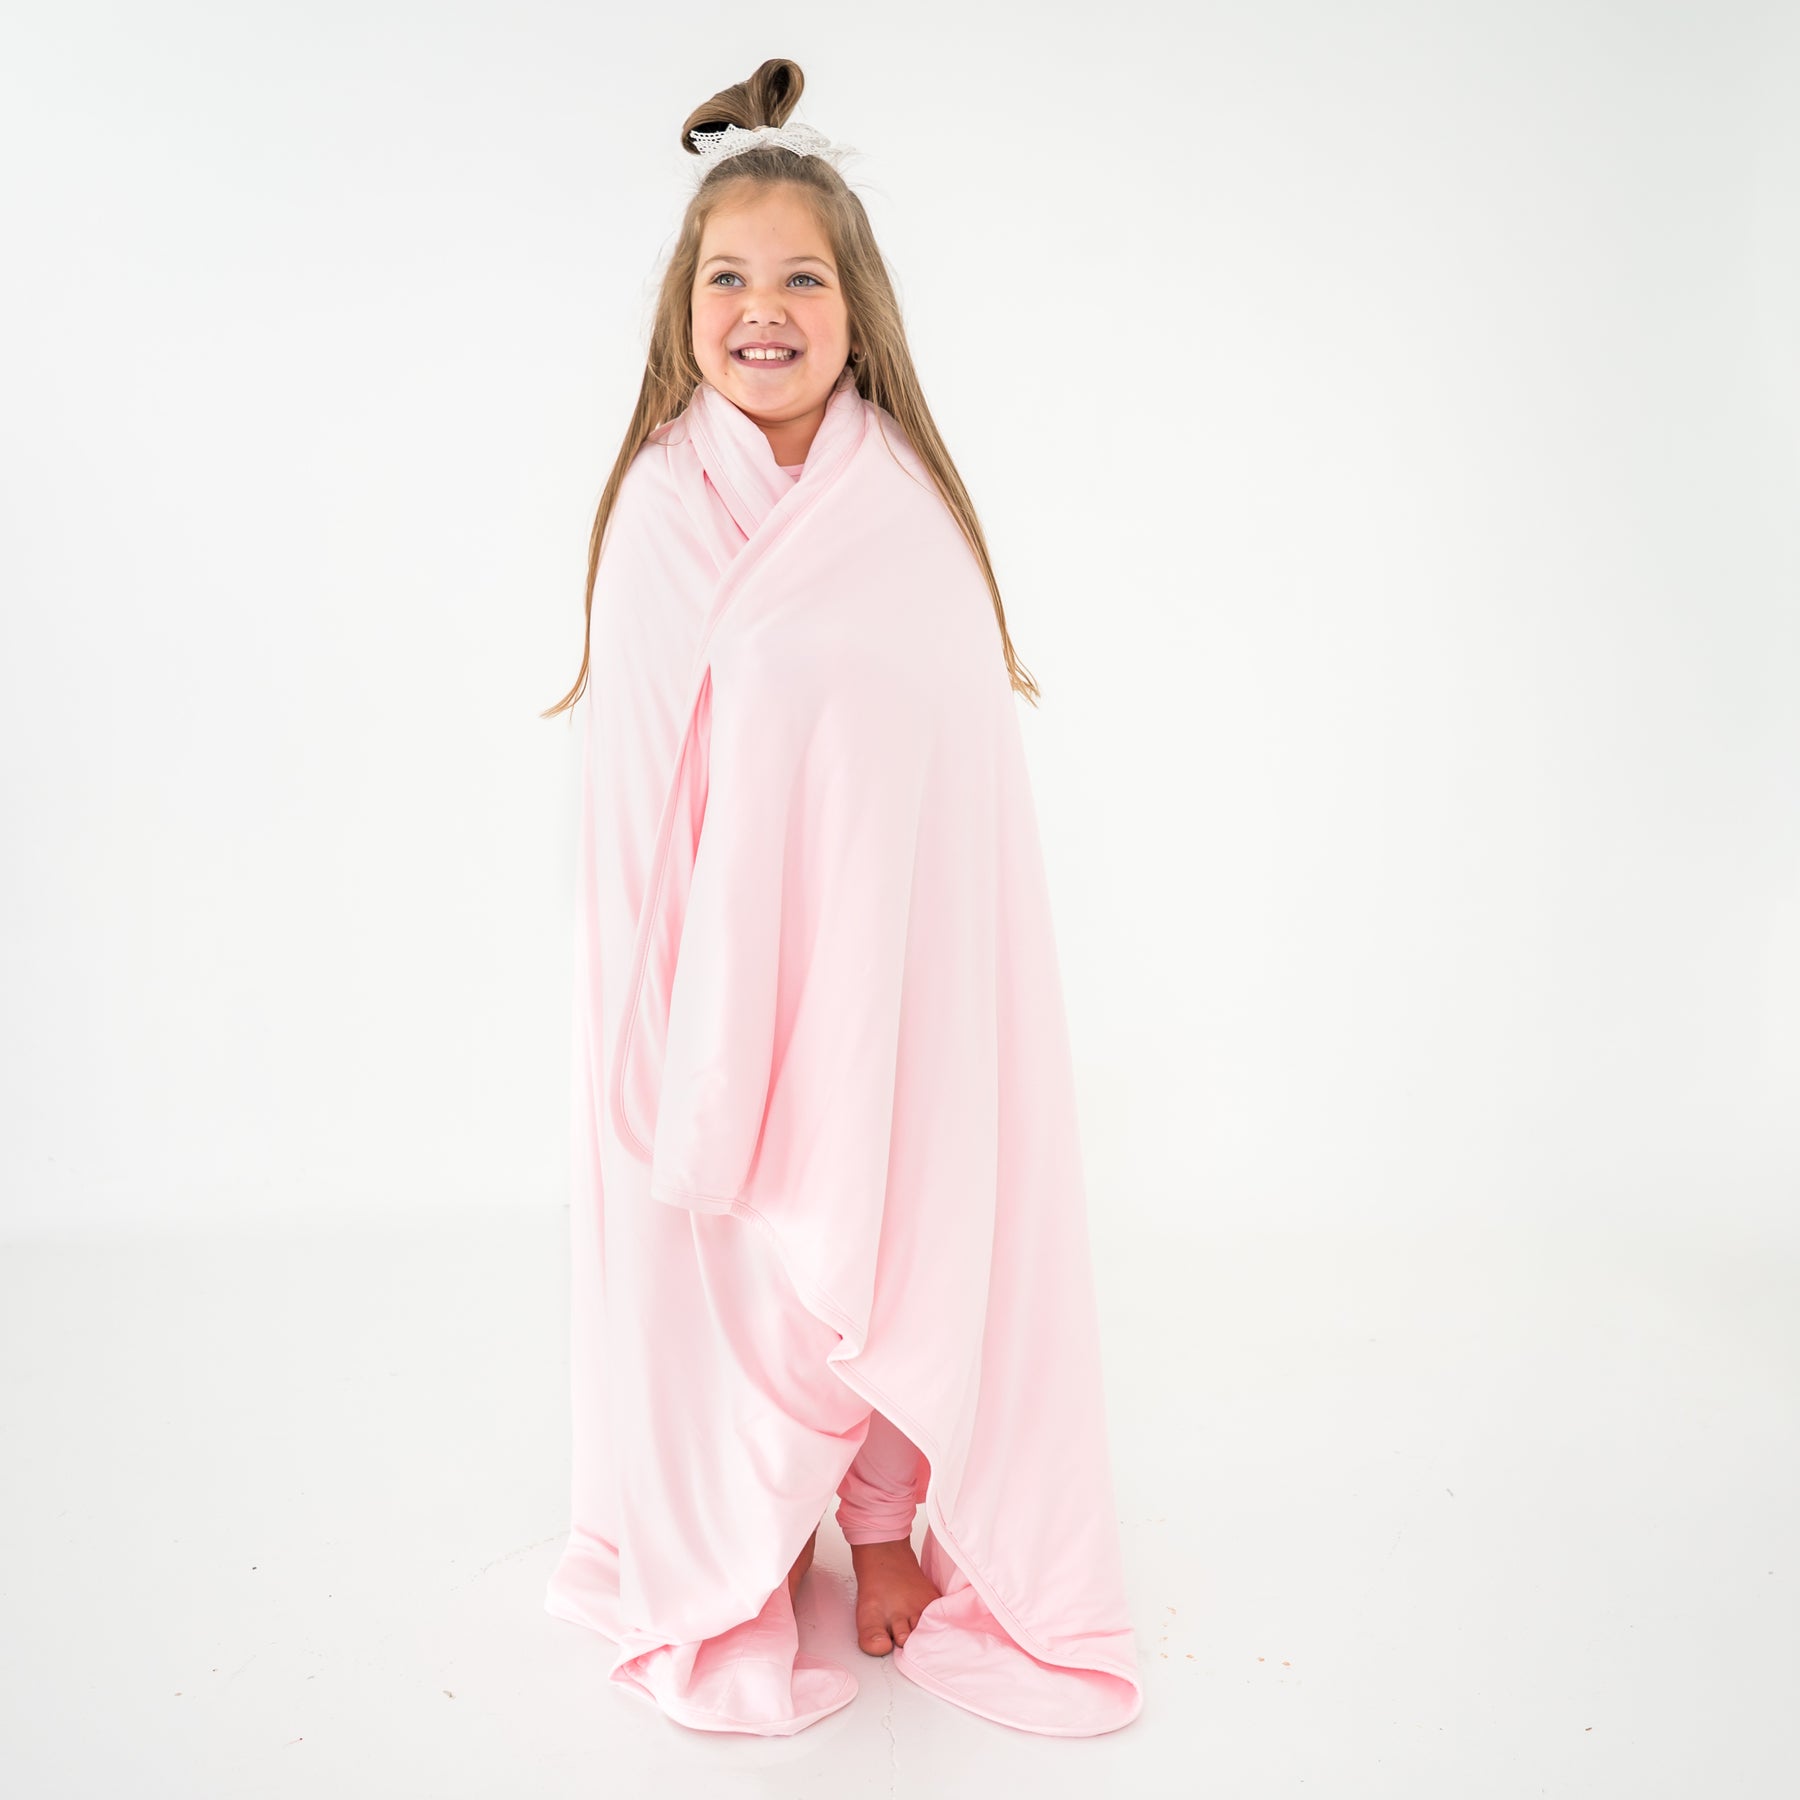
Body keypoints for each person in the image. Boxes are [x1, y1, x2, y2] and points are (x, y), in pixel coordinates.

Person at [539, 57, 1144, 1738]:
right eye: (728, 278)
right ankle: (734, 1543)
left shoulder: (906, 512)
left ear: (857, 311)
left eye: (802, 277)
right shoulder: (661, 513)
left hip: (889, 970)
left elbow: (950, 796)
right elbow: (637, 803)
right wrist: (678, 1017)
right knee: (737, 1256)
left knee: (899, 1209)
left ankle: (880, 1520)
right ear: (683, 316)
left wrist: (881, 967)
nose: (764, 309)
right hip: (715, 987)